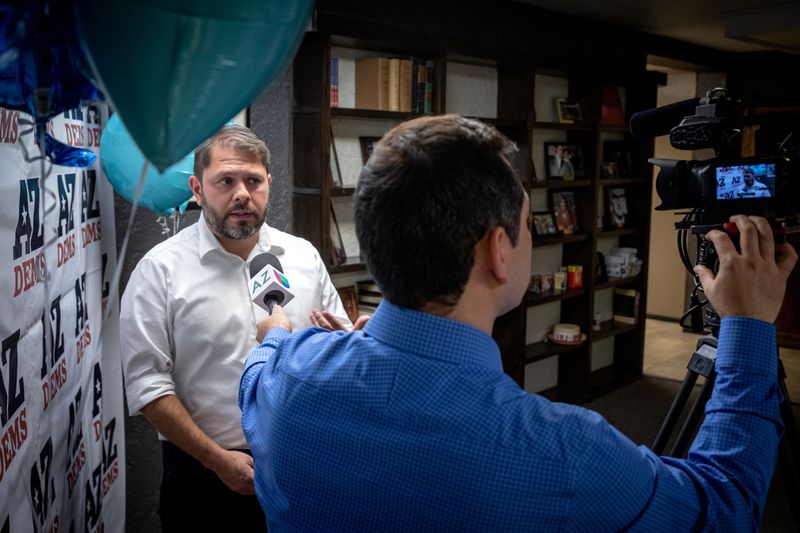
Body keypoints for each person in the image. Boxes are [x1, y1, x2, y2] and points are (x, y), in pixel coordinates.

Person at [239, 115, 797, 531]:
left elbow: (260, 362)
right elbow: (723, 506)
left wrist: (282, 332)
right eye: (529, 225)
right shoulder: (565, 451)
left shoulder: (286, 376)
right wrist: (747, 325)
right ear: (499, 251)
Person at [120, 125, 353, 532]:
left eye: (253, 180)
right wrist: (216, 460)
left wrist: (345, 343)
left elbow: (339, 344)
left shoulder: (303, 256)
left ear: (269, 184)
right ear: (197, 188)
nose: (241, 193)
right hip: (203, 474)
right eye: (225, 181)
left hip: (301, 465)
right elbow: (147, 386)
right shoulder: (159, 271)